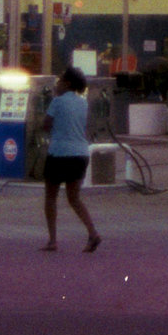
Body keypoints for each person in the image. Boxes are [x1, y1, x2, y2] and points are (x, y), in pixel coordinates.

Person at [42, 67, 102, 252]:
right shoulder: (83, 103)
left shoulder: (57, 102)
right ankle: (92, 232)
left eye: (59, 80)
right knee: (74, 197)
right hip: (80, 153)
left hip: (59, 153)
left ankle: (52, 240)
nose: (57, 84)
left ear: (66, 83)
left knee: (51, 197)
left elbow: (45, 125)